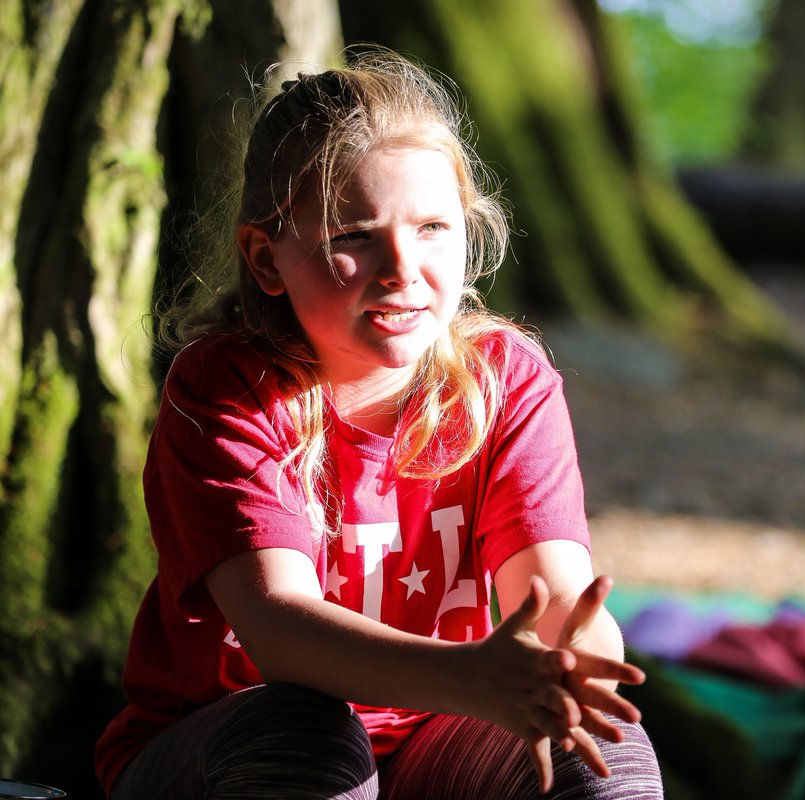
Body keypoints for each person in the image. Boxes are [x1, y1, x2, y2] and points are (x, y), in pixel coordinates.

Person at [95, 48, 663, 799]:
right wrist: (476, 678)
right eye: (353, 236)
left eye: (432, 227)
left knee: (602, 753)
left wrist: (573, 661)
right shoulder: (224, 389)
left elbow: (559, 595)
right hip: (226, 741)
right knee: (306, 740)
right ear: (267, 259)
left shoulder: (506, 380)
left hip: (432, 736)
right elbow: (280, 631)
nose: (402, 267)